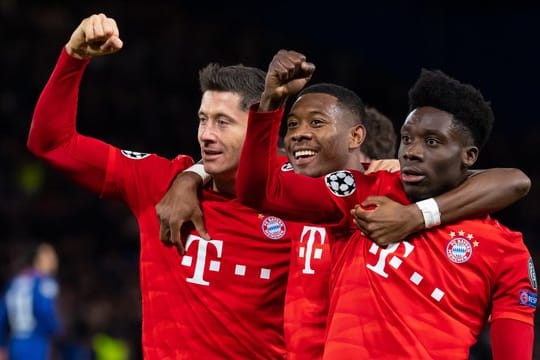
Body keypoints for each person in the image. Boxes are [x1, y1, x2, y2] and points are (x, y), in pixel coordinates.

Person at [156, 50, 531, 358]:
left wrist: (418, 216)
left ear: (469, 157)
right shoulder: (365, 190)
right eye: (407, 139)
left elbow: (517, 180)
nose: (412, 152)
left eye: (431, 142)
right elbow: (260, 192)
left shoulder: (505, 251)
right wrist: (269, 105)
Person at [27, 13, 294, 358]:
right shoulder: (157, 182)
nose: (206, 135)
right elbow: (51, 143)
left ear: (261, 127)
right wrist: (74, 57)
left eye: (223, 122)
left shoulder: (301, 205)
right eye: (203, 119)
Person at [0, 242, 62, 360]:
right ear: (38, 259)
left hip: (15, 342)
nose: (54, 261)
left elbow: (1, 314)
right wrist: (57, 331)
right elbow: (44, 310)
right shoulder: (45, 282)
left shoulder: (15, 282)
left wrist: (1, 344)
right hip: (36, 341)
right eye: (50, 257)